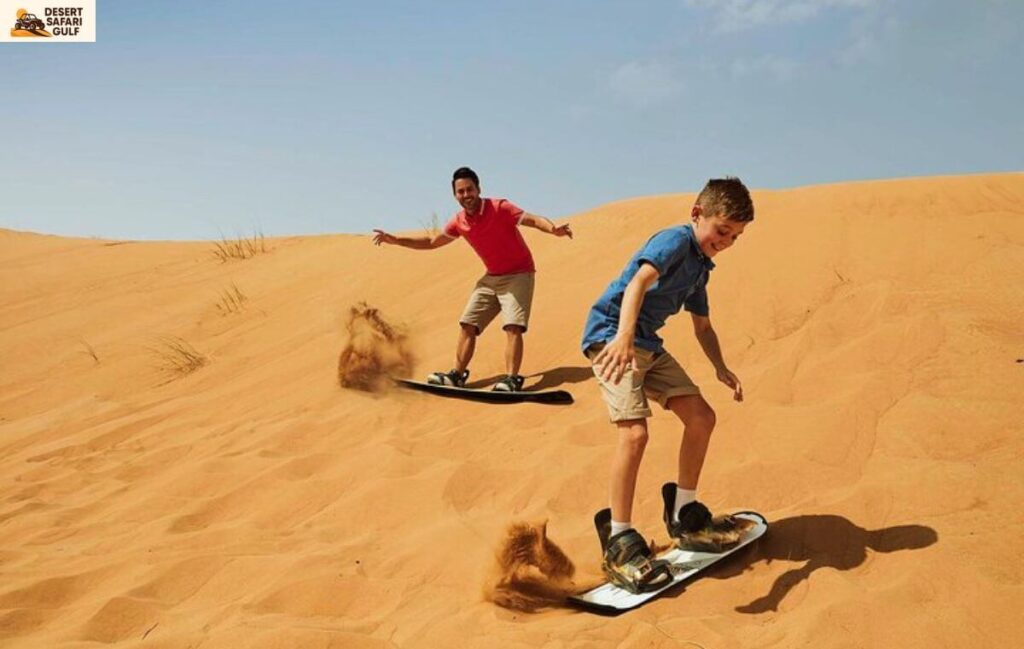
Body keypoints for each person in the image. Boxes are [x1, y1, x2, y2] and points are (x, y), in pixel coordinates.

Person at [580, 176, 755, 593]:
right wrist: (622, 337)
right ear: (698, 215)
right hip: (611, 338)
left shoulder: (700, 269)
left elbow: (703, 326)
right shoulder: (675, 240)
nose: (727, 241)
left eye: (736, 236)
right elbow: (639, 282)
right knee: (635, 434)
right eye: (722, 230)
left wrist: (720, 366)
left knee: (702, 417)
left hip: (646, 346)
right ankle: (619, 540)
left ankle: (684, 512)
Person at [373, 166, 572, 391]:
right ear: (455, 195)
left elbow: (532, 220)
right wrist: (396, 240)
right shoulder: (459, 222)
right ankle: (457, 375)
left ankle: (512, 379)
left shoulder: (500, 207)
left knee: (512, 326)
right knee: (468, 324)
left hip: (519, 274)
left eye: (470, 190)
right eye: (461, 192)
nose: (466, 195)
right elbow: (432, 242)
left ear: (478, 189)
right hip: (492, 277)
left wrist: (553, 229)